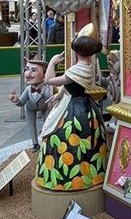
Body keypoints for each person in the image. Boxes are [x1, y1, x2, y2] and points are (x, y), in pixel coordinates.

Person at [35, 23, 108, 191]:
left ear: (77, 50)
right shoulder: (86, 67)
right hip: (86, 107)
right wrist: (59, 95)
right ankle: (89, 174)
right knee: (87, 143)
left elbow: (48, 80)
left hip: (73, 110)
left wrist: (52, 63)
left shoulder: (77, 69)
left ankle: (66, 178)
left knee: (62, 137)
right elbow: (71, 84)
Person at [9, 60, 53, 151]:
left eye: (34, 70)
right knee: (31, 126)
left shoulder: (47, 88)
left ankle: (47, 142)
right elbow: (22, 102)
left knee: (48, 124)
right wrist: (16, 100)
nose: (27, 74)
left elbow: (51, 98)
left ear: (44, 75)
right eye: (26, 69)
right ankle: (35, 144)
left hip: (44, 107)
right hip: (30, 108)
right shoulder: (28, 89)